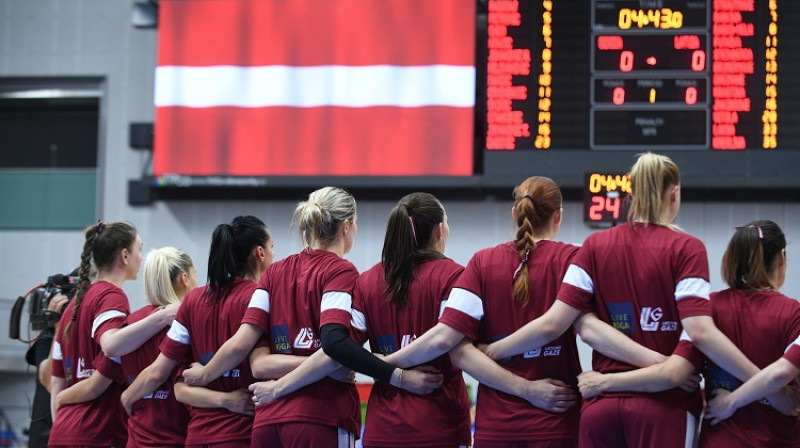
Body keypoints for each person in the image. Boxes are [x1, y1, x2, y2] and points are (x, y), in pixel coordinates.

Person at [480, 153, 787, 448]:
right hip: (663, 407)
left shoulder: (593, 245)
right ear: (674, 193)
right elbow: (700, 331)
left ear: (632, 193)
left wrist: (494, 350)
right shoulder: (687, 248)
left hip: (601, 409)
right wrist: (766, 383)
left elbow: (565, 325)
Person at [366, 176, 662, 448]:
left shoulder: (482, 262)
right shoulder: (572, 259)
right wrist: (661, 364)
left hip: (496, 428)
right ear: (558, 216)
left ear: (514, 213)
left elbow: (459, 351)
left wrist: (511, 373)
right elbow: (591, 331)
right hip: (555, 422)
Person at [181, 187, 440, 448]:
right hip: (320, 416)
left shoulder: (273, 272)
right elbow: (336, 348)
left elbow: (245, 347)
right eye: (356, 224)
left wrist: (204, 374)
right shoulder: (341, 271)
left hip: (269, 421)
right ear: (346, 227)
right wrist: (379, 372)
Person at [120, 216, 272, 448]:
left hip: (198, 436)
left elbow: (162, 374)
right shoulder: (258, 296)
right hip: (241, 433)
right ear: (260, 253)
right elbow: (249, 355)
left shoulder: (193, 300)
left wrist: (127, 396)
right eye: (272, 247)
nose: (273, 255)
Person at [55, 247, 208, 447]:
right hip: (177, 437)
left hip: (138, 438)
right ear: (184, 278)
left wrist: (61, 397)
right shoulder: (192, 324)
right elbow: (159, 375)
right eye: (195, 275)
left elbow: (95, 384)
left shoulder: (129, 326)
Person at [49, 221, 175, 447]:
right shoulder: (111, 296)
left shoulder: (73, 305)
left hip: (62, 431)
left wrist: (62, 423)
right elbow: (111, 345)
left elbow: (56, 382)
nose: (142, 258)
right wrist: (163, 317)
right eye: (140, 249)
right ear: (125, 255)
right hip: (98, 432)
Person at [695, 221, 800, 447]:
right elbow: (790, 400)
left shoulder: (707, 310)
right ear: (781, 258)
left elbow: (683, 373)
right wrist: (777, 395)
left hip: (720, 439)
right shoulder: (793, 313)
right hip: (776, 439)